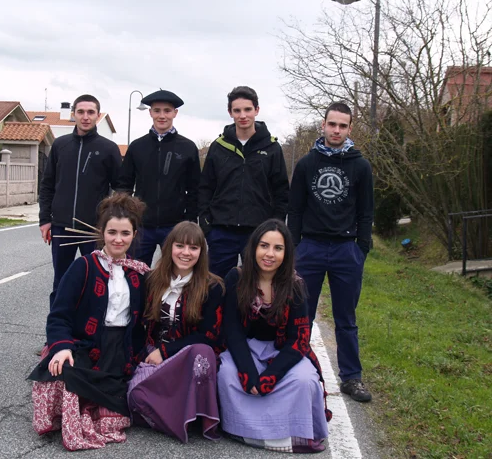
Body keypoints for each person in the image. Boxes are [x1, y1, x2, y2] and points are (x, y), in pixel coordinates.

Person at [28, 193, 149, 451]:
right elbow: (59, 314)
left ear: (134, 235)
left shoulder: (139, 273)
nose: (118, 239)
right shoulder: (83, 266)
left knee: (124, 393)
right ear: (102, 233)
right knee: (62, 370)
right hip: (86, 344)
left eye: (125, 233)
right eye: (112, 232)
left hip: (122, 348)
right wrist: (61, 347)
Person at [217, 219, 330, 453]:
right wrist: (248, 372)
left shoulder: (296, 285)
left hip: (281, 351)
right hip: (245, 349)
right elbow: (232, 329)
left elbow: (299, 339)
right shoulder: (236, 278)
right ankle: (243, 430)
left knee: (305, 380)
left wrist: (270, 377)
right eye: (264, 246)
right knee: (227, 374)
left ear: (286, 254)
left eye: (278, 248)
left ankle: (291, 433)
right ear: (253, 248)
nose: (270, 254)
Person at [288, 101, 374, 403]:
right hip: (310, 248)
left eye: (342, 125)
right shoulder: (306, 164)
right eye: (332, 124)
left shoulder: (361, 166)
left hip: (346, 250)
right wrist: (295, 247)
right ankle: (295, 370)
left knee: (346, 318)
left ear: (350, 128)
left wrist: (361, 249)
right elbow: (295, 210)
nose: (336, 130)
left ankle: (351, 378)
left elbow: (366, 212)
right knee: (302, 315)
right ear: (323, 125)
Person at [127, 221, 224, 443]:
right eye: (180, 246)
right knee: (135, 396)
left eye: (193, 248)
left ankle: (186, 413)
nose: (186, 253)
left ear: (201, 252)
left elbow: (209, 336)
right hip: (155, 354)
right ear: (170, 247)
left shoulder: (213, 286)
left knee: (202, 352)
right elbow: (137, 324)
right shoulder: (151, 280)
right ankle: (180, 414)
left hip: (189, 357)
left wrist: (165, 351)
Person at [39, 94, 122, 307]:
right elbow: (47, 184)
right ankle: (57, 326)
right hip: (61, 227)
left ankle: (93, 326)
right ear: (74, 114)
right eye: (81, 112)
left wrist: (112, 222)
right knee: (61, 283)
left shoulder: (109, 148)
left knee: (97, 282)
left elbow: (120, 189)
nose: (86, 117)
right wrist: (45, 220)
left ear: (97, 115)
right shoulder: (60, 145)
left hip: (94, 229)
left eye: (91, 112)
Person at [198, 86, 289, 279]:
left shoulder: (272, 148)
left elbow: (281, 192)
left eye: (247, 109)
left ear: (257, 110)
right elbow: (205, 188)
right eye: (237, 110)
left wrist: (275, 227)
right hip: (221, 232)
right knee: (216, 286)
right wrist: (207, 227)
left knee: (256, 286)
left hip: (259, 233)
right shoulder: (218, 147)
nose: (243, 115)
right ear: (230, 112)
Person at [117, 90, 201, 267]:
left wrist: (190, 221)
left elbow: (195, 188)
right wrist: (127, 216)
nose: (162, 116)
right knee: (135, 271)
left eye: (167, 111)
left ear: (175, 113)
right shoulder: (137, 147)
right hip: (142, 225)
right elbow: (124, 184)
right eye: (157, 110)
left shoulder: (187, 147)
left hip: (175, 226)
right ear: (150, 113)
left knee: (174, 273)